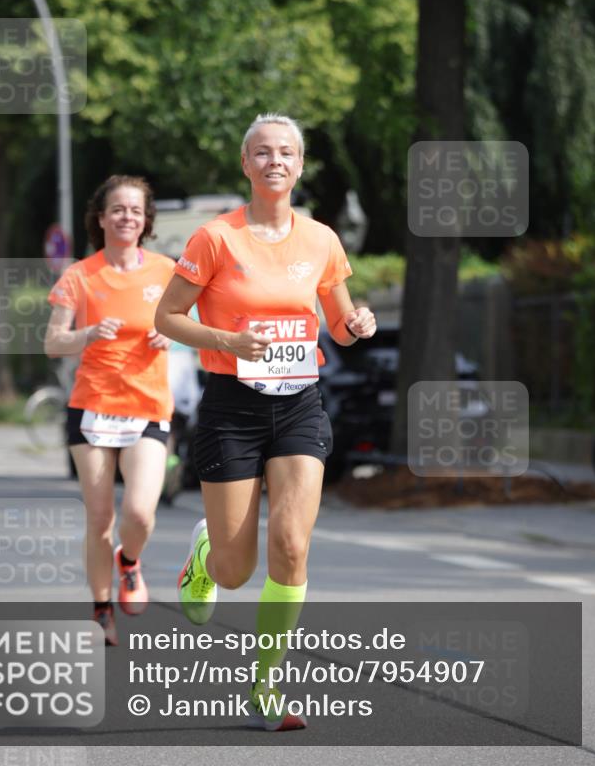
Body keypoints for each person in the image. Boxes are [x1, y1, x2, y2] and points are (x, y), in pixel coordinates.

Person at [154, 114, 376, 730]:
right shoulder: (215, 239)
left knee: (291, 545)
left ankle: (266, 682)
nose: (275, 161)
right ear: (246, 165)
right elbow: (167, 317)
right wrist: (229, 337)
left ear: (300, 167)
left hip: (300, 403)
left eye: (286, 152)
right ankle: (204, 554)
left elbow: (339, 322)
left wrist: (359, 324)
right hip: (232, 405)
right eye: (262, 152)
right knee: (235, 570)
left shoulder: (323, 240)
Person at [44, 175, 175, 645]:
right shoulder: (80, 275)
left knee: (139, 513)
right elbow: (53, 342)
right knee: (99, 519)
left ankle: (130, 560)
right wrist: (88, 333)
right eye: (117, 209)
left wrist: (172, 334)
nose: (127, 217)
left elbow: (188, 323)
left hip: (147, 406)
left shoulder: (165, 271)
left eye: (136, 210)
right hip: (93, 406)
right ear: (101, 219)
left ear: (146, 220)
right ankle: (102, 609)